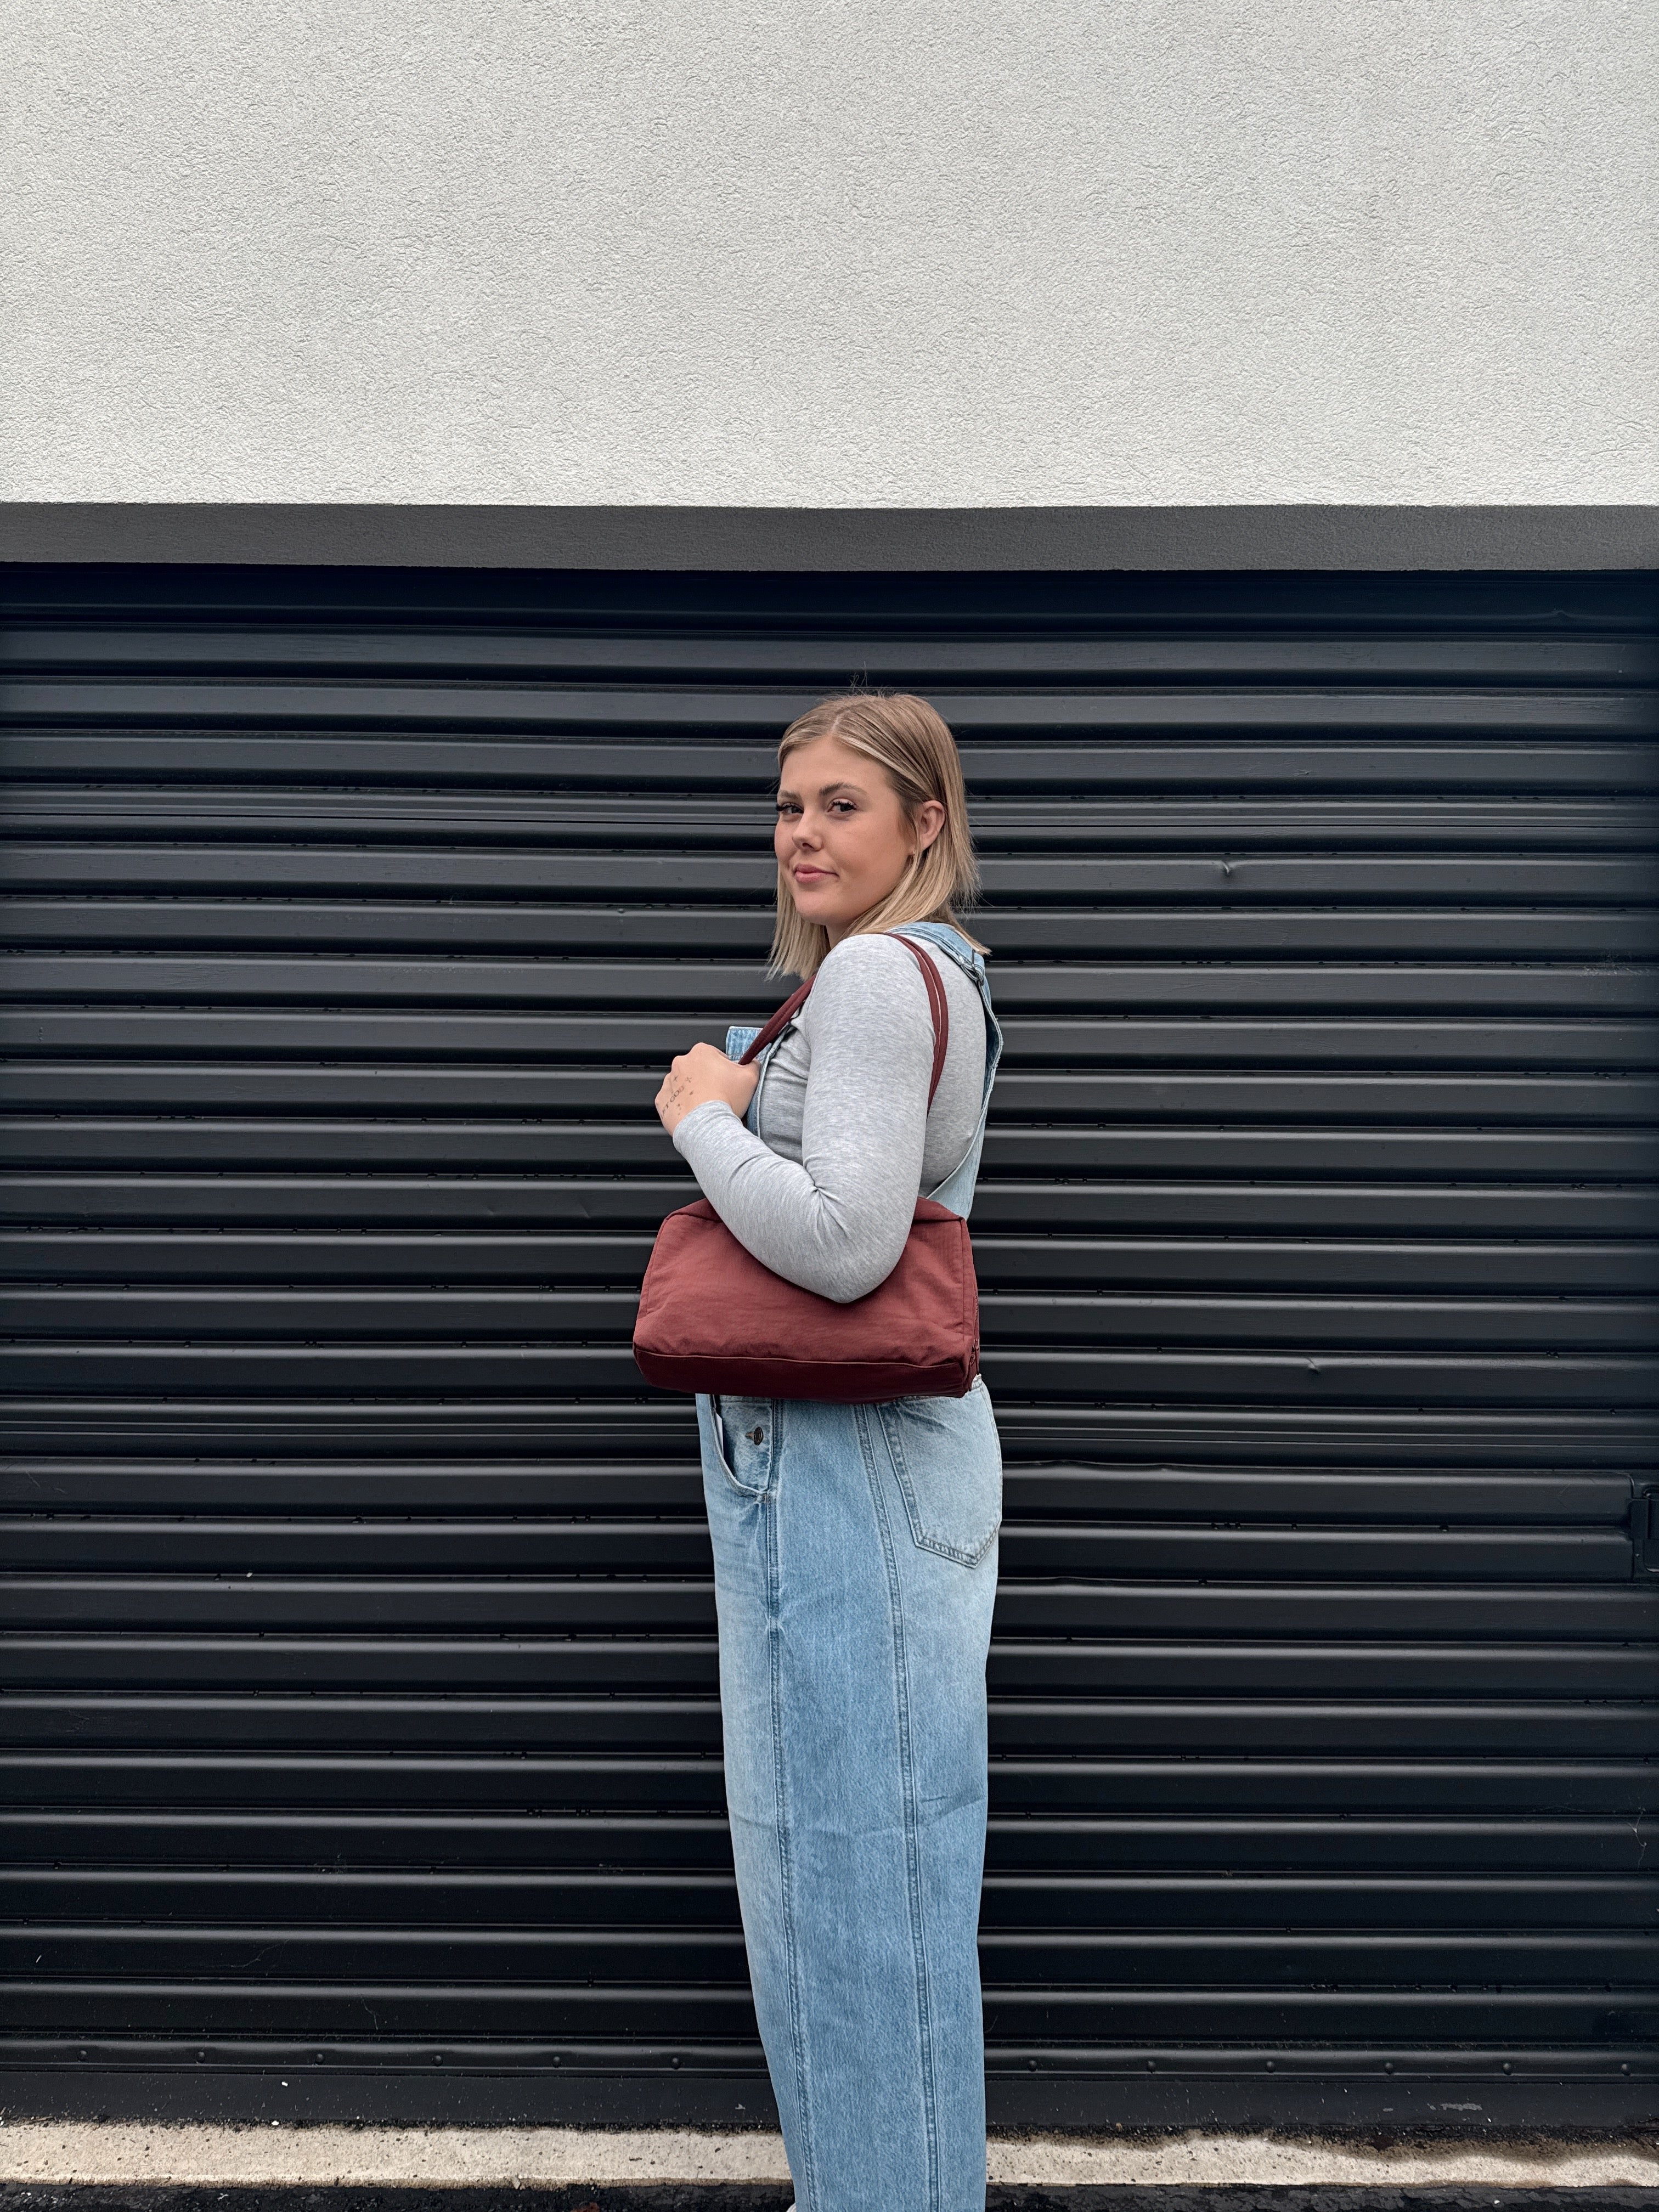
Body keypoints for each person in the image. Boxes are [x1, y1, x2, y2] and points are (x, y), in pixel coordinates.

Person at [652, 692, 1004, 2212]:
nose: (801, 831)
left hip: (851, 1471)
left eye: (841, 804)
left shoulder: (877, 972)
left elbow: (854, 1252)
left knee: (859, 1890)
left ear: (926, 825)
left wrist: (705, 1119)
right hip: (847, 1472)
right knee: (838, 1880)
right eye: (788, 804)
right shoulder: (920, 978)